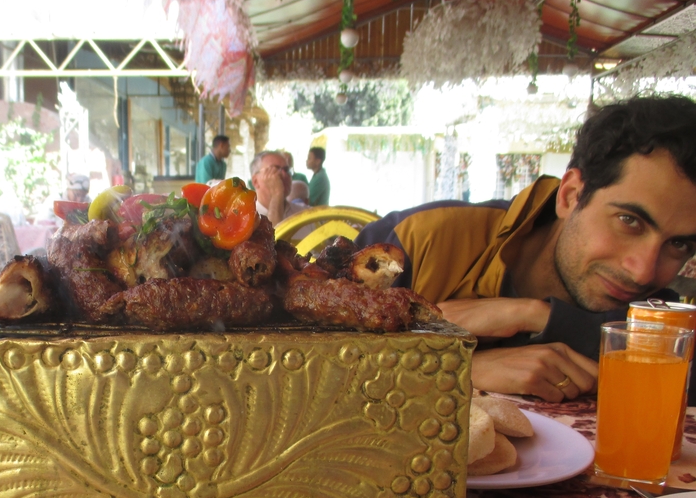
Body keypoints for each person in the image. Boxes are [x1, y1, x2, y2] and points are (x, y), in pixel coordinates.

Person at [355, 94, 696, 403]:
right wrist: (448, 371)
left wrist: (536, 316)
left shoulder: (655, 314)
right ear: (571, 195)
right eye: (629, 221)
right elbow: (312, 373)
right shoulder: (414, 242)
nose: (643, 271)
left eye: (679, 244)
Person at [250, 150, 309, 227]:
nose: (284, 174)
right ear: (255, 181)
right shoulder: (245, 219)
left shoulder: (307, 214)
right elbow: (273, 236)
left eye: (287, 170)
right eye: (275, 170)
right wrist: (277, 193)